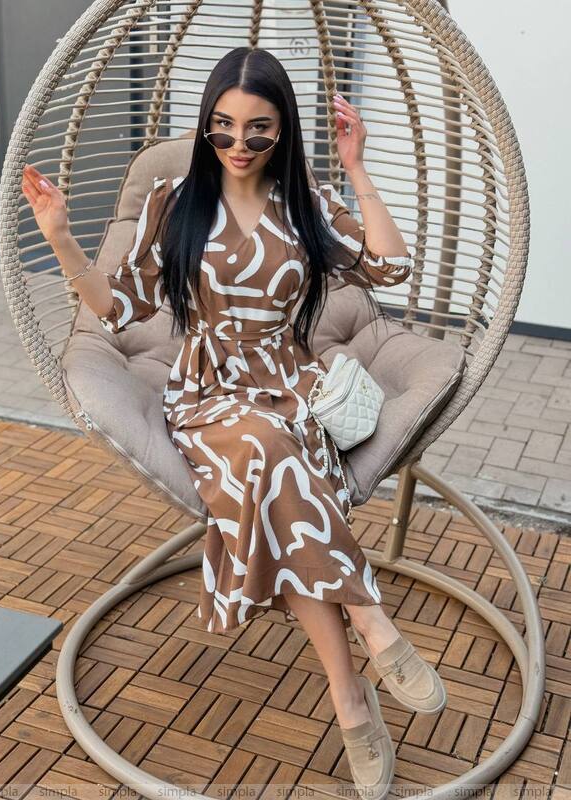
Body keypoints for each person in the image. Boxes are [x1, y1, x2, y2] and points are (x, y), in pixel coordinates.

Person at [22, 46, 445, 800]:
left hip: (289, 385)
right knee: (268, 450)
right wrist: (59, 234)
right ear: (205, 126)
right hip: (208, 393)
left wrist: (353, 166)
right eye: (222, 128)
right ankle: (371, 622)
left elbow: (390, 267)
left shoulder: (304, 203)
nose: (238, 145)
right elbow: (120, 309)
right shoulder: (175, 201)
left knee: (275, 459)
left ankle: (351, 699)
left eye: (257, 130)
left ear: (282, 131)